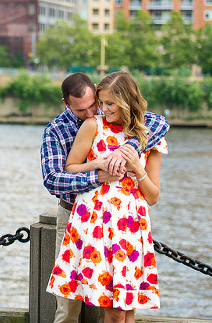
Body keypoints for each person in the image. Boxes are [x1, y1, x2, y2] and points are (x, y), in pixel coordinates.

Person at [40, 72, 169, 323]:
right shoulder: (59, 129)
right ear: (66, 104)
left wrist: (133, 154)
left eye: (97, 104)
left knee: (123, 307)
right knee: (69, 308)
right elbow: (54, 178)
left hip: (129, 227)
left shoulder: (144, 133)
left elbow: (160, 123)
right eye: (83, 109)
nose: (94, 112)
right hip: (84, 218)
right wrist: (97, 173)